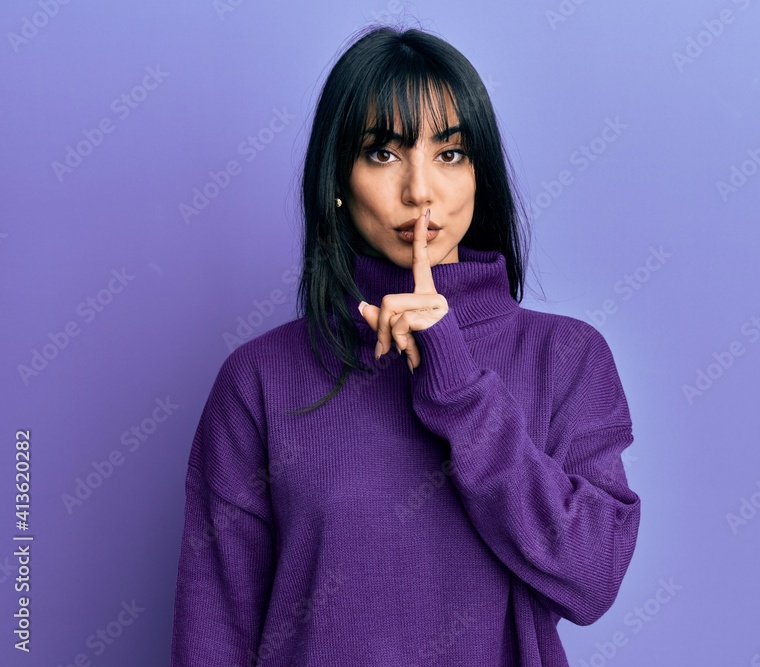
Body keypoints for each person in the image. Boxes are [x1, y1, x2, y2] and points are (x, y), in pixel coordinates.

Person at [170, 23, 640, 667]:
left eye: (450, 153)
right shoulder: (258, 378)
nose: (421, 191)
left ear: (481, 178)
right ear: (338, 179)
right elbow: (214, 628)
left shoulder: (567, 357)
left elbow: (591, 577)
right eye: (383, 153)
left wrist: (456, 383)